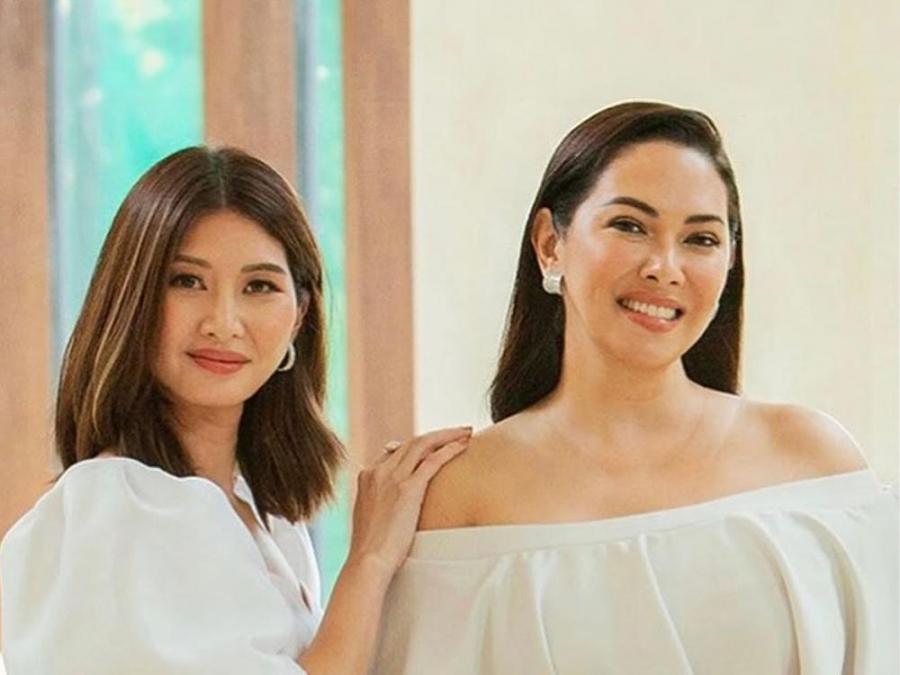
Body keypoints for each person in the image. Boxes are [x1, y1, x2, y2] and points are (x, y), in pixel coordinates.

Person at [372, 101, 898, 673]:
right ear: (550, 243)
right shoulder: (459, 492)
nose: (664, 267)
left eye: (701, 239)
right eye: (629, 226)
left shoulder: (811, 457)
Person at [0, 146, 470, 675]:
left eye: (259, 286)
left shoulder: (269, 523)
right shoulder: (115, 509)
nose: (223, 323)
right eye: (186, 281)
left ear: (299, 315)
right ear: (132, 297)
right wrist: (369, 559)